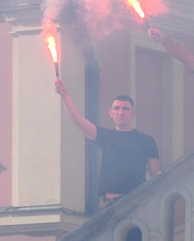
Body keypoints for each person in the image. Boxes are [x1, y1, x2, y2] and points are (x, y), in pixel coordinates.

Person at [54, 79, 161, 208]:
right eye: (117, 108)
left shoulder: (146, 141)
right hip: (108, 203)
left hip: (136, 202)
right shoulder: (105, 136)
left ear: (133, 113)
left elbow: (157, 175)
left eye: (125, 109)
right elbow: (78, 121)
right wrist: (65, 94)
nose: (120, 112)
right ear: (111, 113)